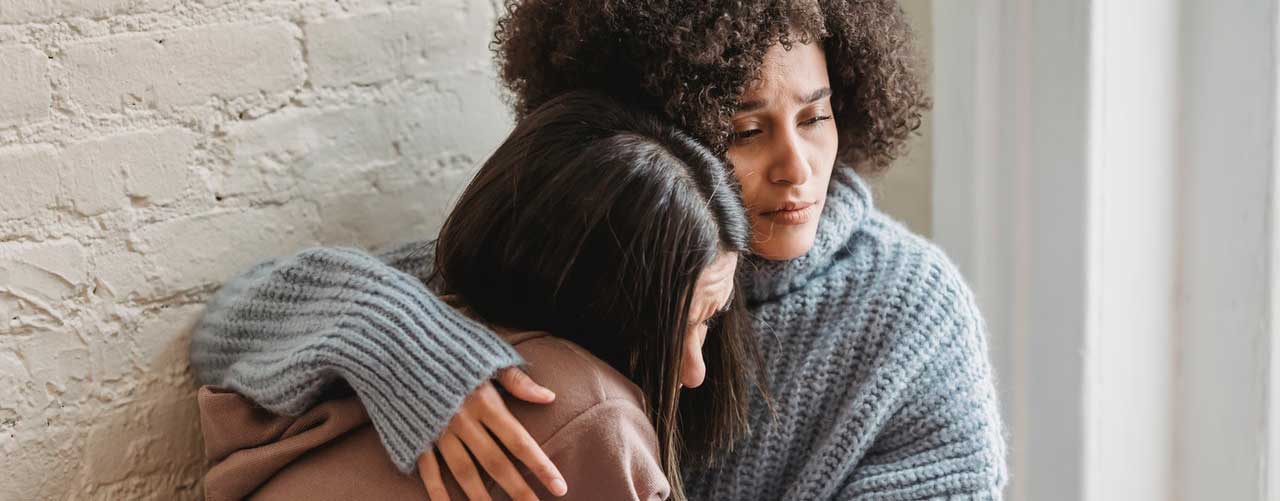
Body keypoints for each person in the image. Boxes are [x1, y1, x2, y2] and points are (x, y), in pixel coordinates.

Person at [191, 1, 1008, 499]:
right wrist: (410, 352)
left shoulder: (910, 310)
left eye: (816, 116)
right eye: (745, 130)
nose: (797, 167)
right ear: (657, 130)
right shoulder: (597, 249)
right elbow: (230, 327)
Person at [194, 91, 761, 501]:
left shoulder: (488, 281)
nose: (695, 372)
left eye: (708, 321)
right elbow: (220, 326)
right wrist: (408, 343)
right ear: (592, 298)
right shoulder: (592, 412)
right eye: (676, 326)